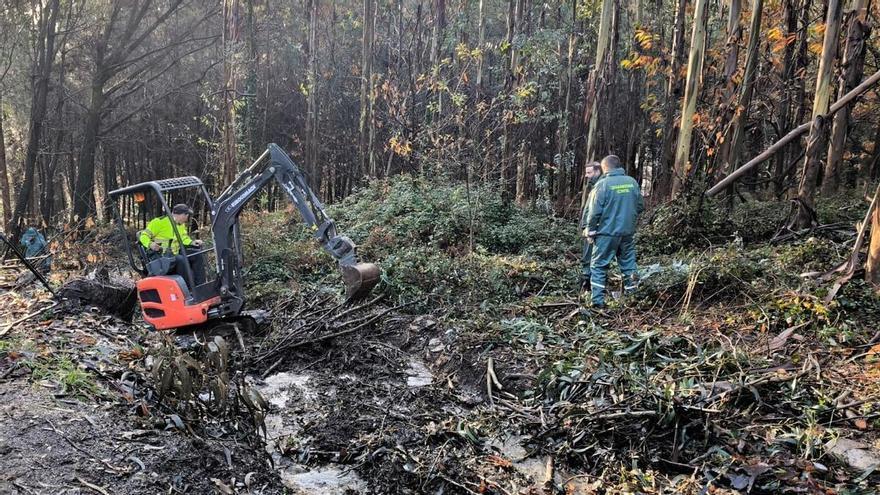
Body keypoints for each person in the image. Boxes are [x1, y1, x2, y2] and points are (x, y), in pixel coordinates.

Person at [584, 155, 643, 308]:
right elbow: (640, 206)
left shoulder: (602, 185)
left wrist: (590, 230)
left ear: (604, 168)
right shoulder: (632, 182)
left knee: (598, 266)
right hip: (627, 233)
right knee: (629, 265)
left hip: (606, 234)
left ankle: (598, 302)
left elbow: (594, 212)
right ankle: (633, 299)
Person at [139, 203, 206, 287]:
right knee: (181, 260)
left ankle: (201, 285)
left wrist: (192, 242)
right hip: (162, 256)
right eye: (186, 215)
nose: (187, 218)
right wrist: (150, 244)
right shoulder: (159, 222)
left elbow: (183, 238)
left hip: (175, 252)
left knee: (197, 254)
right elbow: (143, 235)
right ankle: (190, 288)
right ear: (181, 215)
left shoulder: (180, 225)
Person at [579, 162, 603, 291]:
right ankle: (587, 283)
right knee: (588, 255)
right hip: (591, 227)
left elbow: (594, 211)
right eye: (586, 172)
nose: (587, 176)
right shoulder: (595, 187)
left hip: (596, 229)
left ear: (598, 171)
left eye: (589, 173)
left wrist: (590, 227)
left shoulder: (602, 186)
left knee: (592, 257)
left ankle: (591, 286)